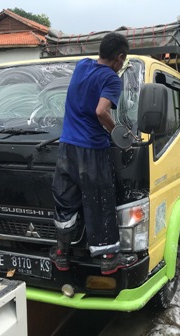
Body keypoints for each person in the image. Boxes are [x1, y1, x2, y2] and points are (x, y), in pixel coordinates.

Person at [50, 32, 137, 275]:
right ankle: (109, 257)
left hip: (67, 148)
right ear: (119, 58)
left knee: (65, 202)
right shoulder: (112, 79)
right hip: (92, 150)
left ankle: (62, 254)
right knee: (98, 201)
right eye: (123, 59)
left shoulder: (81, 66)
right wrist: (118, 134)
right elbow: (101, 111)